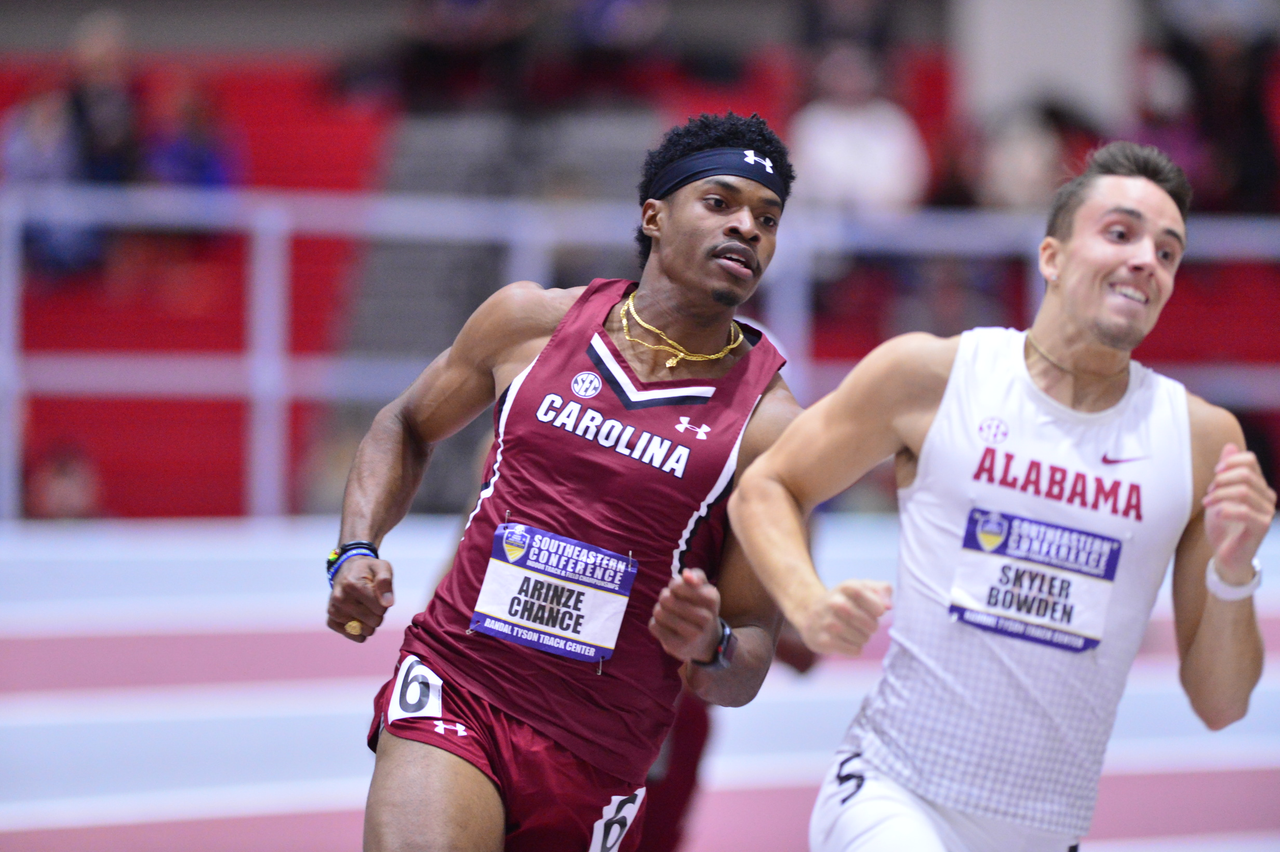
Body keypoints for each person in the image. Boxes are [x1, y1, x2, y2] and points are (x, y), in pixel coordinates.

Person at [729, 141, 1275, 852]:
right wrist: (806, 602)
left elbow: (1222, 702)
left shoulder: (1201, 440)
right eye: (1120, 233)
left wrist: (1234, 575)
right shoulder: (932, 375)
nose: (1147, 259)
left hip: (1048, 832)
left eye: (1168, 251)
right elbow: (768, 485)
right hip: (895, 799)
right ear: (1050, 257)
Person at [325, 111, 801, 851]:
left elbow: (753, 659)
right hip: (462, 679)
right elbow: (404, 425)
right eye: (720, 202)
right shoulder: (529, 326)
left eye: (766, 218)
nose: (746, 227)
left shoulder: (768, 429)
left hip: (598, 747)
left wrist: (709, 645)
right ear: (653, 214)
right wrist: (355, 548)